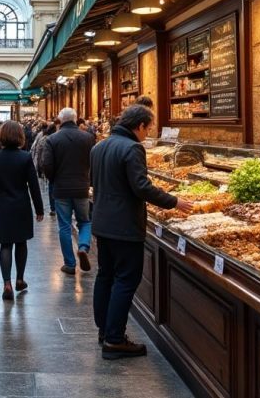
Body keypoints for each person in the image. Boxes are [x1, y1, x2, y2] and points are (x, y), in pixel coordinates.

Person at [90, 105, 191, 359]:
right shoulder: (133, 148)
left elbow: (95, 182)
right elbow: (141, 187)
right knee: (126, 280)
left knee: (105, 276)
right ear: (140, 126)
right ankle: (114, 340)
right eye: (148, 129)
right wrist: (174, 201)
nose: (147, 134)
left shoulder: (99, 146)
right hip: (124, 226)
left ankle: (104, 330)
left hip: (102, 222)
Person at [0, 121, 44, 301]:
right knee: (21, 242)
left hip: (2, 205)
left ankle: (6, 283)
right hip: (21, 205)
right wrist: (39, 208)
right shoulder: (25, 157)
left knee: (5, 244)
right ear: (20, 136)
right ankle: (20, 279)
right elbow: (34, 186)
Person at [42, 108, 96, 276]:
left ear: (60, 120)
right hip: (82, 187)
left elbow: (47, 165)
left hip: (61, 189)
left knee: (64, 226)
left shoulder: (52, 139)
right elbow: (94, 162)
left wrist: (53, 180)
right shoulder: (88, 138)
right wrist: (90, 181)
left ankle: (70, 264)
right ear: (75, 119)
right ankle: (83, 247)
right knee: (85, 221)